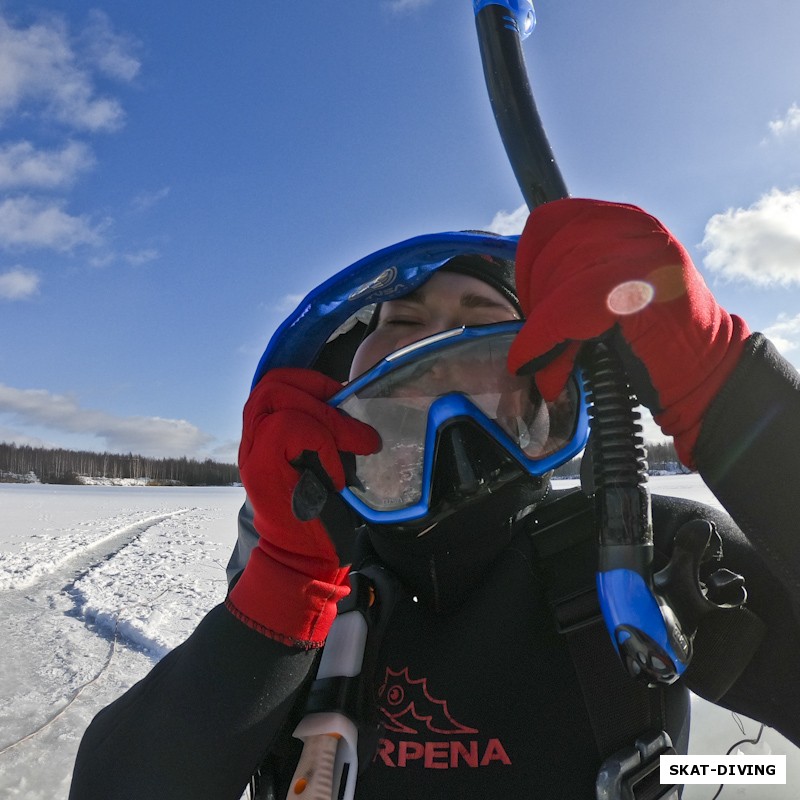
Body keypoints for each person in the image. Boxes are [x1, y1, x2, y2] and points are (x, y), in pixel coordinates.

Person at [69, 198, 800, 799]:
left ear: (548, 386)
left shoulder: (641, 551)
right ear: (340, 378)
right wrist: (285, 585)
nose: (441, 344)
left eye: (483, 324)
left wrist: (731, 394)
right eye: (405, 322)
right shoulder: (306, 577)